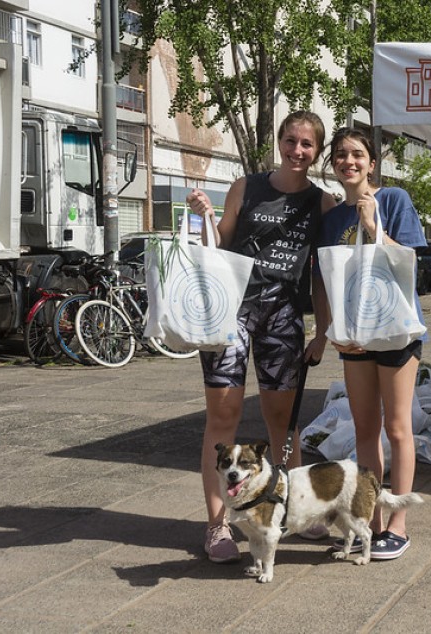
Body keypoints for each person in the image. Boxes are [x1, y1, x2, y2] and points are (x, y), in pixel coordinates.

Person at [185, 111, 336, 563]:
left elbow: (322, 276)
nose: (296, 151)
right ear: (279, 141)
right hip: (230, 315)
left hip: (284, 320)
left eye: (306, 144)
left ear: (317, 150)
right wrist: (206, 216)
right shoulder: (245, 188)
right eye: (290, 141)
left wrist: (322, 331)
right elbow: (220, 247)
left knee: (284, 425)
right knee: (223, 421)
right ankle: (217, 527)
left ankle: (296, 512)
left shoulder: (321, 203)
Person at [313, 127, 427, 560]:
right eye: (340, 155)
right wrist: (329, 332)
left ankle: (398, 523)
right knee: (365, 431)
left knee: (398, 428)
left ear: (372, 162)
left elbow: (410, 261)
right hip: (355, 337)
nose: (349, 162)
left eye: (357, 154)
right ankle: (370, 520)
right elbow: (326, 281)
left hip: (395, 329)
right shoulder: (330, 219)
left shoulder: (393, 200)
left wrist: (373, 226)